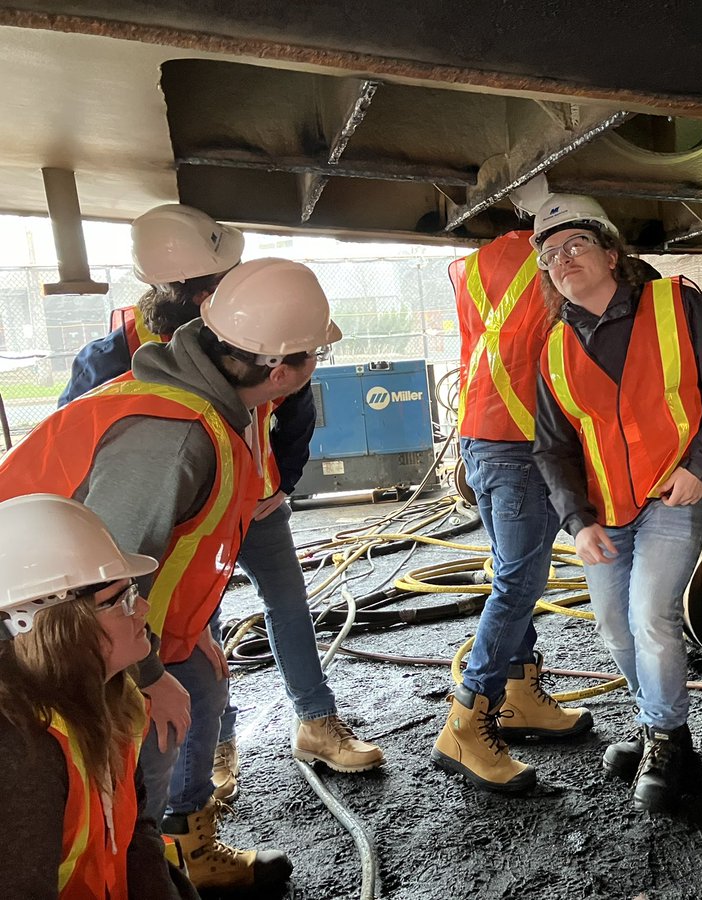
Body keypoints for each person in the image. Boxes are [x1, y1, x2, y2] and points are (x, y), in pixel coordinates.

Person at [0, 256, 340, 891]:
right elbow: (94, 586)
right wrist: (151, 674)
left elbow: (178, 548)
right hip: (44, 635)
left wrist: (190, 628)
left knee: (202, 688)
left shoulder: (206, 404)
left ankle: (175, 851)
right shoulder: (173, 436)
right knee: (127, 763)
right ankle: (137, 862)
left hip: (102, 618)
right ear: (284, 370)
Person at [59, 205, 383, 800]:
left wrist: (279, 482)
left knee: (268, 615)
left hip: (245, 504)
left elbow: (294, 415)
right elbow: (103, 564)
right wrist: (152, 671)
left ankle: (308, 722)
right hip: (145, 543)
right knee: (180, 668)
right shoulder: (152, 412)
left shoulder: (223, 340)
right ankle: (203, 761)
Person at [531, 194, 702, 812]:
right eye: (551, 255)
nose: (563, 259)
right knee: (612, 625)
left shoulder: (675, 304)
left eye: (576, 245)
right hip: (603, 513)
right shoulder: (552, 348)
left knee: (652, 617)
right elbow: (552, 448)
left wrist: (700, 466)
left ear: (611, 254)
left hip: (672, 494)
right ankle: (665, 729)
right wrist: (576, 520)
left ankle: (662, 738)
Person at [432, 229, 594, 793]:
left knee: (510, 571)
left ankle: (520, 692)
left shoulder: (472, 266)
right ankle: (467, 721)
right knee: (520, 581)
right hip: (525, 438)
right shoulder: (557, 257)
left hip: (481, 434)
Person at [0, 493, 198, 900]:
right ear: (57, 628)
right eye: (120, 600)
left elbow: (135, 836)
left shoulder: (112, 695)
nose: (143, 608)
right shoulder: (21, 752)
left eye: (134, 590)